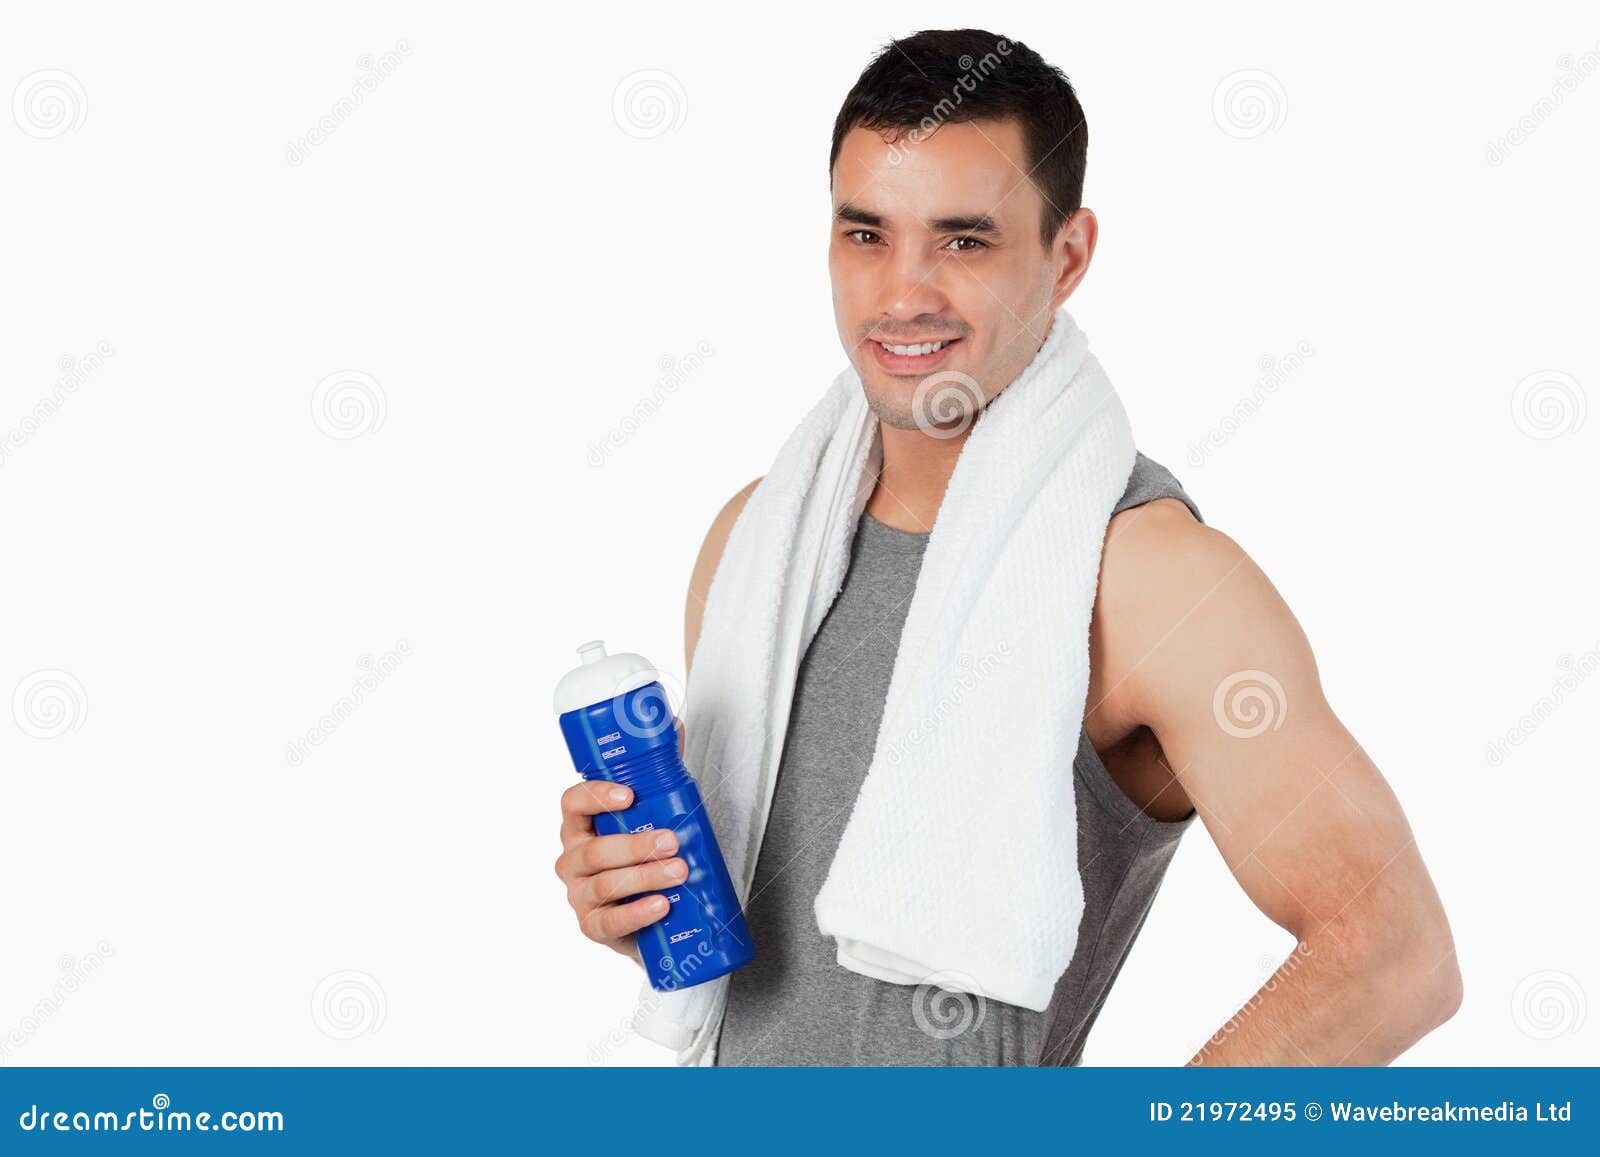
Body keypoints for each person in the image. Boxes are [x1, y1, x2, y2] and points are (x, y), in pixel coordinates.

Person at [554, 27, 1461, 1065]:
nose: (903, 294)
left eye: (964, 241)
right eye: (866, 234)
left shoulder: (1149, 580)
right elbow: (786, 966)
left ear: (1066, 256)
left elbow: (1395, 959)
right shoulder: (755, 543)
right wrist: (633, 899)